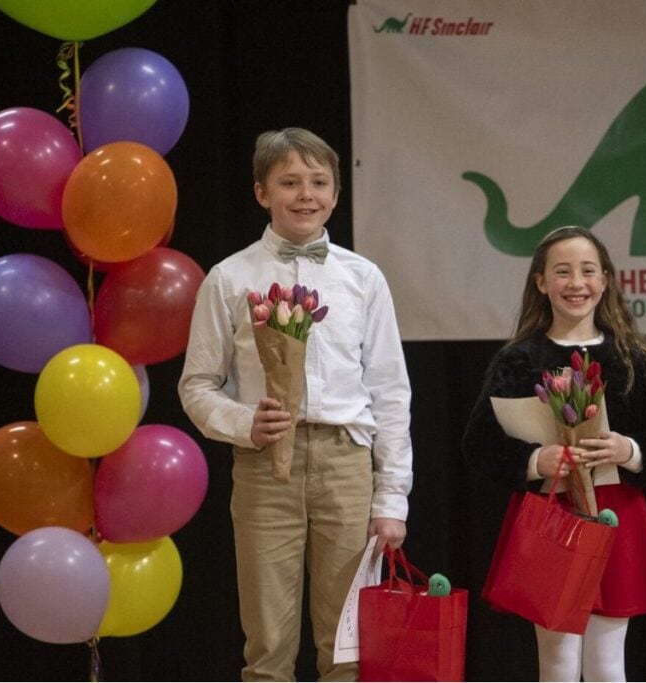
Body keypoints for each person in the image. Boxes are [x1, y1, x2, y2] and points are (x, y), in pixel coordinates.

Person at [178, 127, 413, 682]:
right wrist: (244, 422)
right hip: (265, 469)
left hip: (346, 463)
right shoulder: (230, 277)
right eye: (289, 182)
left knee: (348, 642)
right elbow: (196, 385)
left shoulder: (362, 278)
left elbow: (391, 391)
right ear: (262, 192)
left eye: (318, 182)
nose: (306, 194)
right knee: (268, 642)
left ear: (335, 193)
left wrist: (392, 497)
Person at [461, 225, 646, 682]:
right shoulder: (519, 359)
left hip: (615, 513)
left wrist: (628, 449)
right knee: (559, 657)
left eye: (587, 271)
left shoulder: (632, 358)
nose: (576, 283)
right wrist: (532, 461)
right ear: (541, 282)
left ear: (604, 280)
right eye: (562, 272)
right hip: (552, 516)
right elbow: (479, 441)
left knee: (607, 658)